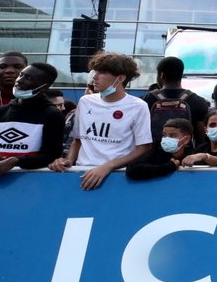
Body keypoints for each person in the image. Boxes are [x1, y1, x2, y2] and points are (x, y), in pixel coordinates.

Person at [49, 52, 153, 190]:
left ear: (120, 78)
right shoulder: (85, 101)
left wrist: (108, 166)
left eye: (102, 73)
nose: (95, 77)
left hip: (116, 177)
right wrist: (68, 160)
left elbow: (143, 148)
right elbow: (78, 140)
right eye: (95, 72)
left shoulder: (138, 106)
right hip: (80, 175)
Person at [0, 62, 65, 182]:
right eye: (21, 75)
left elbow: (51, 156)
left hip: (32, 183)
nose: (19, 80)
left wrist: (16, 161)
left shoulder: (52, 114)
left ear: (44, 87)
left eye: (28, 78)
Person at [142, 56, 209, 144]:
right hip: (185, 155)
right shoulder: (197, 101)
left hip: (153, 154)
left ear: (161, 75)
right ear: (181, 75)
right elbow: (201, 138)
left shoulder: (146, 100)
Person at [127, 118, 196, 180]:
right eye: (164, 135)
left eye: (172, 136)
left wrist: (204, 156)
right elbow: (132, 170)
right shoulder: (155, 153)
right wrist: (170, 166)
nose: (167, 139)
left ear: (186, 139)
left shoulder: (193, 153)